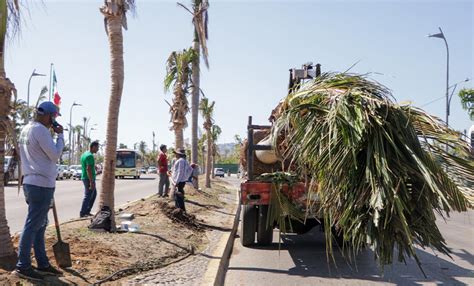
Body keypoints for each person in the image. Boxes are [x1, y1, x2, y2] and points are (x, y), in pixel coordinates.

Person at [15, 101, 64, 281]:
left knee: (40, 224)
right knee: (32, 225)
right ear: (48, 116)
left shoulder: (26, 129)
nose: (54, 121)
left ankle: (42, 263)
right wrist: (60, 136)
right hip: (41, 184)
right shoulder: (41, 130)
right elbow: (55, 154)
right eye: (54, 117)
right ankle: (23, 265)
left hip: (32, 182)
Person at [79, 141, 99, 217]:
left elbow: (88, 166)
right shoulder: (90, 156)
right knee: (88, 195)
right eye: (97, 147)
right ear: (93, 147)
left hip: (85, 177)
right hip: (88, 178)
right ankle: (83, 212)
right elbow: (88, 169)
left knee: (93, 194)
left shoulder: (84, 154)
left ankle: (87, 211)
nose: (97, 149)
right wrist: (91, 182)